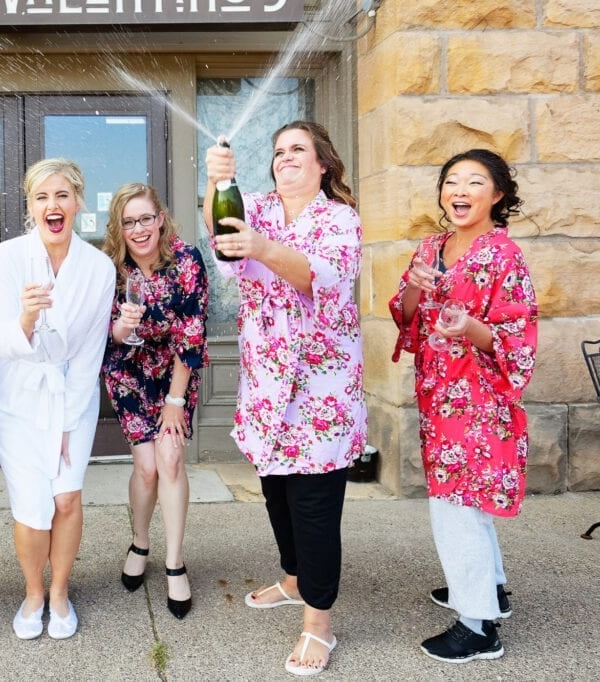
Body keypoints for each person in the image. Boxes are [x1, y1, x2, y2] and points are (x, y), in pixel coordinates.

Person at [204, 121, 366, 676]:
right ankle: (294, 580)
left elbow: (322, 277)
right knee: (276, 495)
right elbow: (223, 234)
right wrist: (215, 182)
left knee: (315, 509)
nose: (285, 158)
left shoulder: (341, 219)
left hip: (322, 393)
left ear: (323, 163)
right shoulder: (259, 206)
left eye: (298, 150)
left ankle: (319, 624)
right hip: (267, 388)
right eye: (278, 152)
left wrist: (264, 246)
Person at [389, 149, 537, 663]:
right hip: (438, 393)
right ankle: (491, 591)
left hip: (478, 398)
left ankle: (478, 629)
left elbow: (515, 339)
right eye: (452, 180)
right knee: (464, 499)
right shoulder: (431, 247)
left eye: (475, 182)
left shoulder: (505, 256)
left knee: (455, 506)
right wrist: (413, 286)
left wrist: (468, 328)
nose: (460, 190)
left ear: (497, 195)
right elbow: (406, 316)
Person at [0, 158, 115, 640]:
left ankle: (59, 590)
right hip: (18, 397)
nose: (52, 205)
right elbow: (1, 337)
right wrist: (24, 319)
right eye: (41, 197)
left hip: (72, 396)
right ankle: (32, 592)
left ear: (78, 202)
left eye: (61, 195)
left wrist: (66, 423)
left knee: (67, 496)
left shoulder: (99, 267)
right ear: (30, 206)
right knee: (31, 503)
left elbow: (89, 352)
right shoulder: (5, 257)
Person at [100, 183, 209, 619]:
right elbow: (106, 335)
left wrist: (176, 400)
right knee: (145, 468)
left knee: (171, 459)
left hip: (174, 373)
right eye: (129, 222)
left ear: (160, 218)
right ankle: (140, 541)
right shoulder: (112, 269)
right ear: (119, 228)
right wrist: (123, 328)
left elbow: (192, 331)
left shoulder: (186, 261)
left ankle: (175, 563)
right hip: (128, 375)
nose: (139, 229)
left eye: (146, 218)